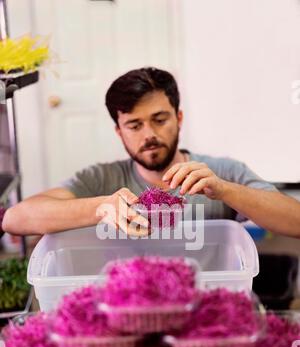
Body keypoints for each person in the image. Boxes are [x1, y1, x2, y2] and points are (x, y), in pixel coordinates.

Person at [3, 67, 300, 238]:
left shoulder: (221, 172)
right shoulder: (100, 178)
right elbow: (14, 219)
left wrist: (225, 191)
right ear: (119, 131)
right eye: (134, 125)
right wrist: (101, 207)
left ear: (178, 118)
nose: (149, 134)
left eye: (160, 119)